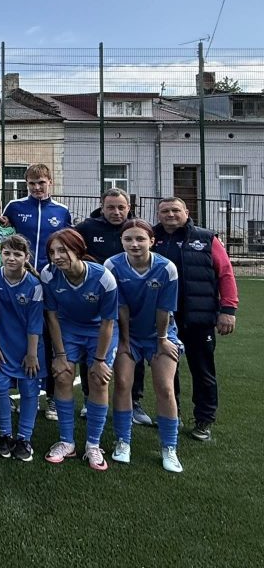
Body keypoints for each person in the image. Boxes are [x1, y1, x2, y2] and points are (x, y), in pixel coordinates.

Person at [153, 197, 238, 442]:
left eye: (175, 210)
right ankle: (172, 414)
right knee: (167, 370)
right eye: (165, 211)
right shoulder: (152, 237)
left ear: (186, 212)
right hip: (165, 319)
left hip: (199, 317)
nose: (170, 214)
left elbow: (225, 273)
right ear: (158, 214)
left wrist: (228, 309)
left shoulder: (206, 238)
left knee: (202, 371)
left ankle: (204, 420)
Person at [104, 219, 183, 472]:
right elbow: (121, 307)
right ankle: (123, 441)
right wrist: (125, 342)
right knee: (123, 383)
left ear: (152, 241)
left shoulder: (166, 268)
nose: (134, 244)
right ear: (121, 241)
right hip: (128, 334)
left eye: (140, 239)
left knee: (165, 388)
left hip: (160, 333)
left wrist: (162, 340)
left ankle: (169, 447)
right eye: (128, 239)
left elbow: (164, 309)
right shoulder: (112, 265)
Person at [41, 228, 118, 470]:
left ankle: (93, 444)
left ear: (78, 249)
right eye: (52, 252)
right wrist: (60, 355)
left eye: (62, 250)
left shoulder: (104, 278)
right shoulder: (48, 274)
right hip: (68, 329)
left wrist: (100, 360)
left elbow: (108, 322)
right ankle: (67, 442)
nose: (56, 257)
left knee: (98, 379)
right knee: (63, 375)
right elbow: (52, 316)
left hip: (99, 330)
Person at [76, 189, 152, 425]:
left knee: (131, 349)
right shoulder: (87, 228)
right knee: (91, 350)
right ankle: (89, 399)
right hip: (95, 302)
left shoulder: (137, 228)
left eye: (121, 207)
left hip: (131, 302)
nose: (116, 212)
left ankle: (134, 401)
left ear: (129, 207)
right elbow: (74, 251)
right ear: (102, 207)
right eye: (111, 207)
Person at [2, 163, 72, 420]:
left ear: (50, 182)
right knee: (19, 334)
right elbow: (3, 236)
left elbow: (68, 244)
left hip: (52, 282)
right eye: (32, 183)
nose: (37, 188)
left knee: (52, 337)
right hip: (22, 281)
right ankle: (16, 392)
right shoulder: (14, 207)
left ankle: (52, 397)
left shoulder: (61, 211)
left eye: (41, 182)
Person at [0, 235, 45, 462]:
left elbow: (35, 323)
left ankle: (24, 439)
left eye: (17, 254)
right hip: (2, 347)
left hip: (29, 348)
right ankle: (5, 435)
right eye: (7, 253)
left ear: (26, 257)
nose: (11, 258)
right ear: (0, 254)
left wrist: (31, 354)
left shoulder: (34, 286)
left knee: (29, 389)